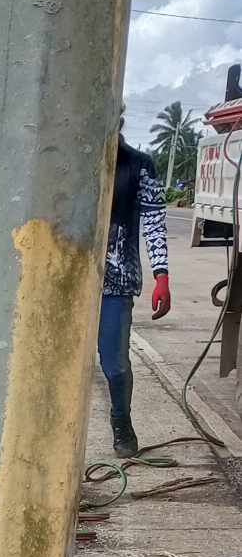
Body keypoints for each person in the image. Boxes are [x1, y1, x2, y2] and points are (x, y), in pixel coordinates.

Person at [100, 118, 171, 459]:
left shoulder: (140, 165)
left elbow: (155, 221)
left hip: (115, 281)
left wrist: (162, 275)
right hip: (67, 282)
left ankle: (121, 420)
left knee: (114, 364)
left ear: (120, 120)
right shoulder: (67, 161)